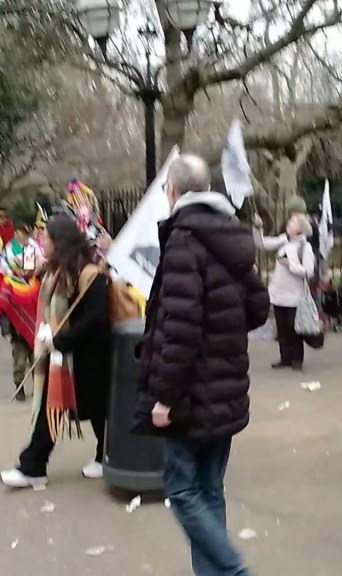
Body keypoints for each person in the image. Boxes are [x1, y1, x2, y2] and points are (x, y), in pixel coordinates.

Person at [134, 154, 270, 576]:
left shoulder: (183, 241)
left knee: (184, 491)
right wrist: (222, 328)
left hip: (190, 396)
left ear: (173, 190)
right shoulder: (229, 237)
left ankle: (232, 570)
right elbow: (257, 307)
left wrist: (164, 398)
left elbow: (180, 330)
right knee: (209, 490)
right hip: (225, 392)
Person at [0, 215, 111, 489]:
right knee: (84, 407)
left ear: (59, 243)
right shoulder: (58, 272)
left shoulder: (89, 274)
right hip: (68, 355)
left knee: (81, 408)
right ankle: (102, 454)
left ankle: (35, 466)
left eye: (45, 239)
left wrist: (61, 340)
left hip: (88, 357)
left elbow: (97, 319)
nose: (41, 243)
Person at [252, 212, 316, 371]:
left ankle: (297, 359)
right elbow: (261, 244)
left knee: (293, 327)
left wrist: (290, 265)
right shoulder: (284, 240)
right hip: (278, 292)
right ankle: (285, 358)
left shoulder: (305, 247)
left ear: (300, 228)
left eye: (293, 222)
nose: (288, 223)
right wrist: (258, 227)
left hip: (295, 295)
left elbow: (309, 271)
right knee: (282, 328)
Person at [0, 225, 43, 402]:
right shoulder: (9, 284)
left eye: (27, 267)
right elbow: (3, 308)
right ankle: (19, 387)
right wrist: (6, 330)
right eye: (21, 267)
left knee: (37, 362)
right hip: (18, 333)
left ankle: (39, 389)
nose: (25, 270)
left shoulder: (35, 283)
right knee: (19, 363)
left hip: (36, 331)